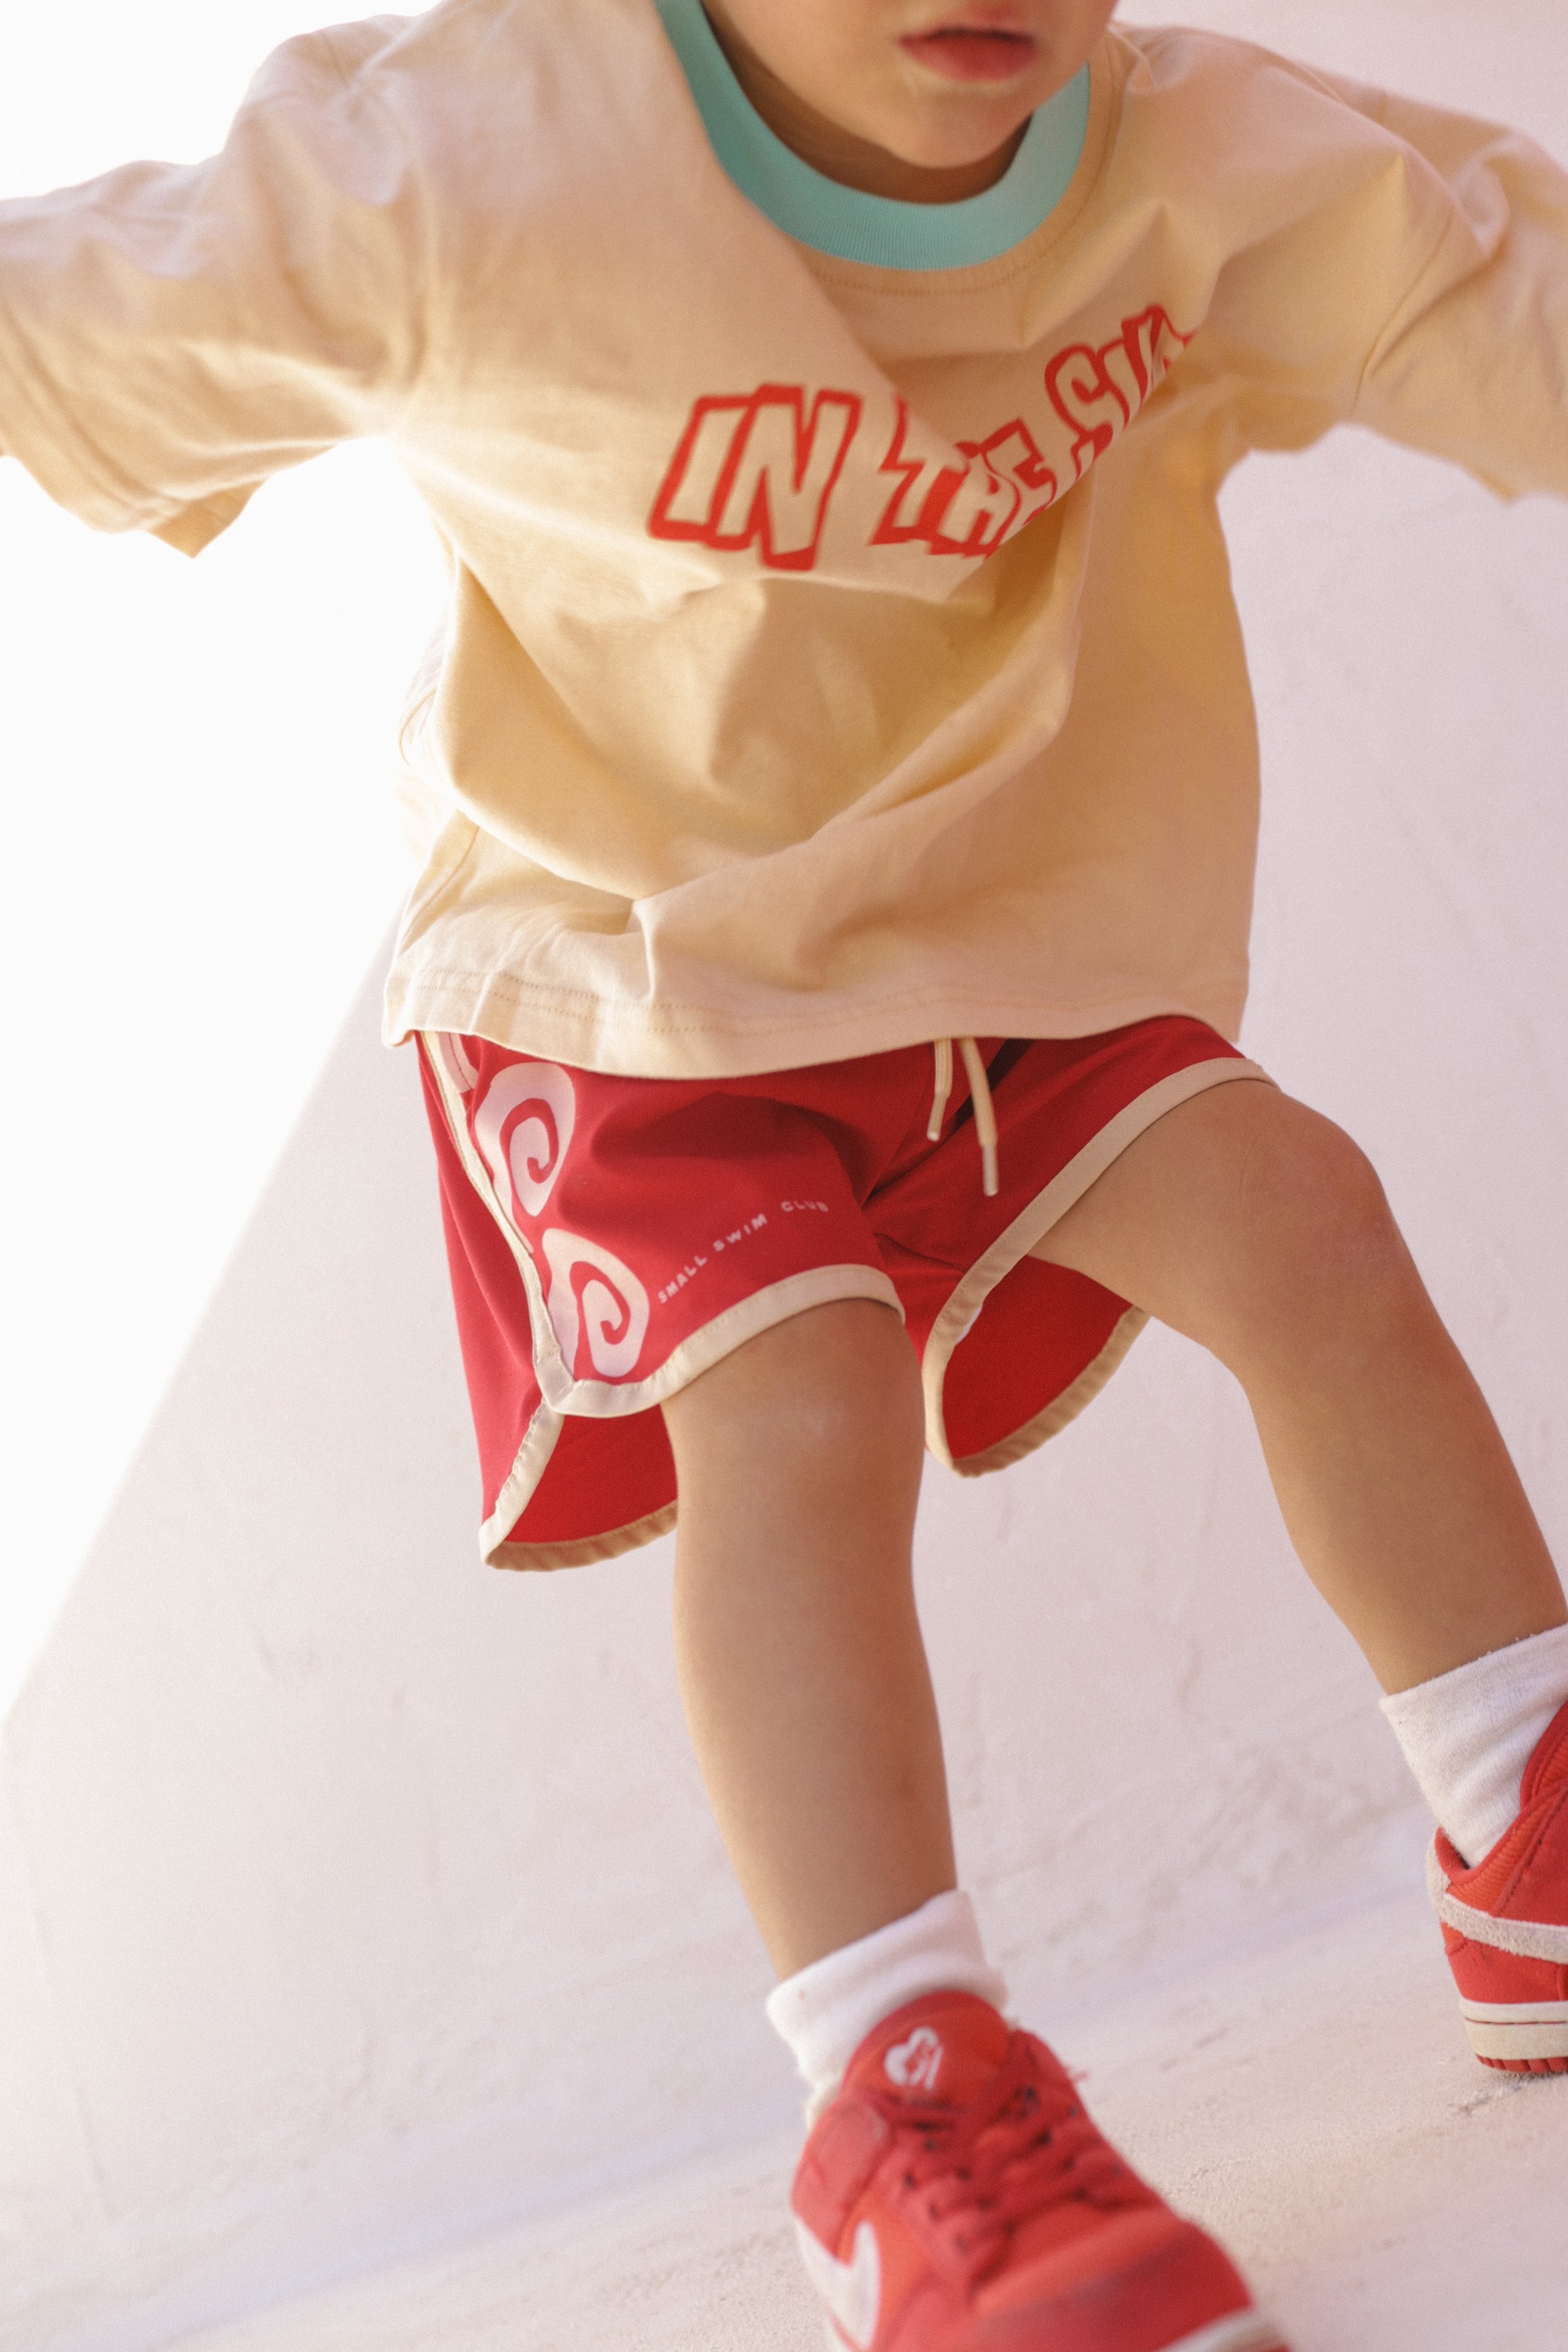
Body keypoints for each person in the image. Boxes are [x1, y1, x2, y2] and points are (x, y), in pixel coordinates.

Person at [3, 2, 1566, 2345]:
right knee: (805, 1397)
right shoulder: (468, 162)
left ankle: (1520, 1812)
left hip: (1009, 943)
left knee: (1299, 1214)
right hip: (635, 987)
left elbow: (1504, 312)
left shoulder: (1197, 162)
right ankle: (905, 2098)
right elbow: (73, 328)